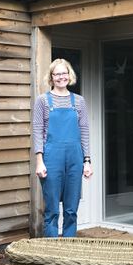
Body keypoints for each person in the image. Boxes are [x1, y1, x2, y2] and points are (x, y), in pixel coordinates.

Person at [32, 58, 93, 237]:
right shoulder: (42, 101)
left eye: (64, 73)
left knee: (71, 209)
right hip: (51, 158)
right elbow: (37, 131)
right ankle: (51, 253)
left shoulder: (79, 101)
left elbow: (84, 132)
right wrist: (39, 161)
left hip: (75, 158)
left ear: (69, 75)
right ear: (51, 77)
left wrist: (87, 161)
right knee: (52, 210)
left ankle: (68, 251)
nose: (61, 77)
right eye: (57, 74)